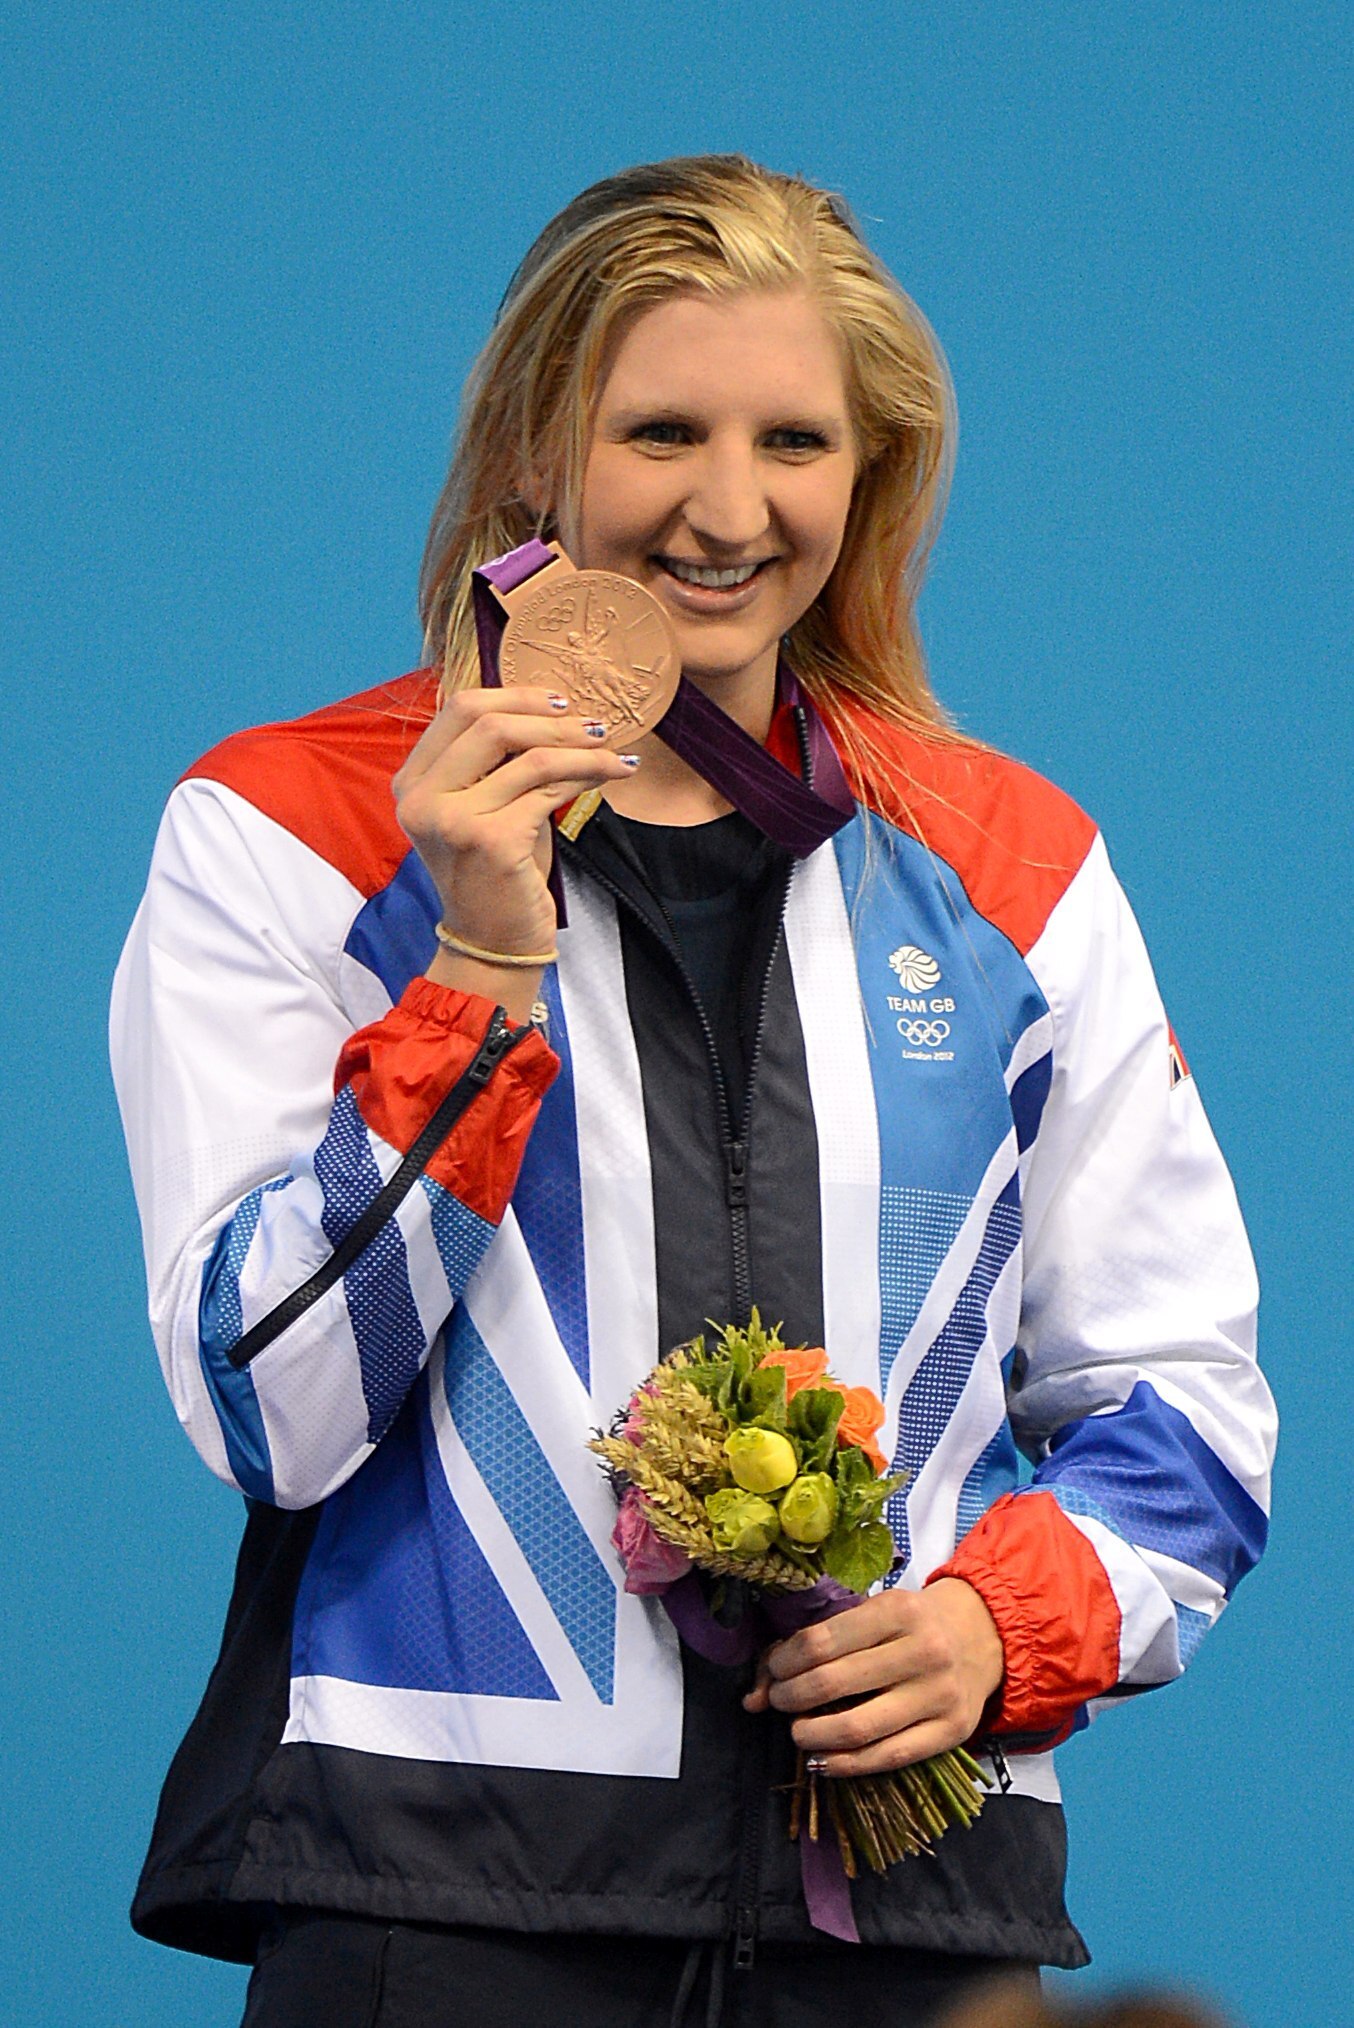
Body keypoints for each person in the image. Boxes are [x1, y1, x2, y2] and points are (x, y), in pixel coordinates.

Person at [110, 156, 1275, 2028]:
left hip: (904, 1914)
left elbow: (1191, 1411)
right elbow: (273, 1409)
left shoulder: (1015, 867)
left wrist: (997, 1625)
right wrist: (479, 973)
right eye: (661, 430)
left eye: (794, 441)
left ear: (865, 476)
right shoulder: (291, 834)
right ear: (530, 466)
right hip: (446, 1908)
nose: (728, 510)